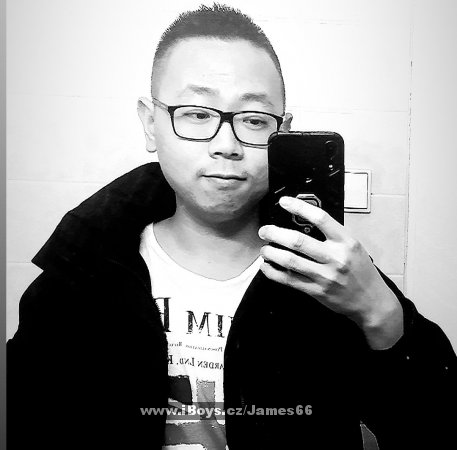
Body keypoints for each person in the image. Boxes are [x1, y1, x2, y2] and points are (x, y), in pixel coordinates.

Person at [7, 4, 456, 450]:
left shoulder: (329, 269)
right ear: (150, 124)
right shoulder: (83, 269)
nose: (226, 145)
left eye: (254, 120)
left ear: (282, 134)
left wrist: (381, 314)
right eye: (197, 114)